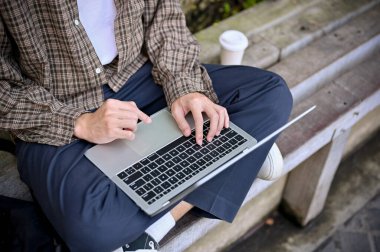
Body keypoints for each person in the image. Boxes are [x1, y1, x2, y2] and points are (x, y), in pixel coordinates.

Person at [0, 0, 293, 251]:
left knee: (270, 93)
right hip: (55, 107)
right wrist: (79, 122)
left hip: (143, 76)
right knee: (91, 229)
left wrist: (184, 85)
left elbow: (164, 18)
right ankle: (235, 156)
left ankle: (159, 225)